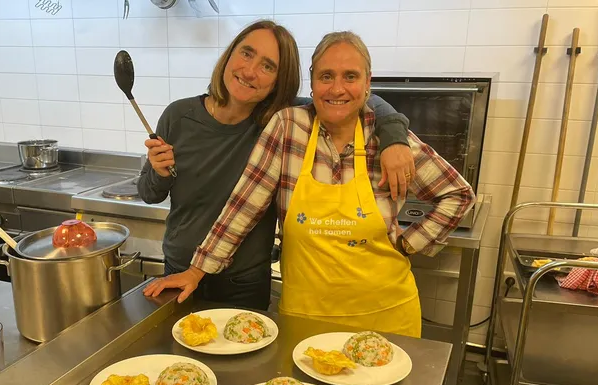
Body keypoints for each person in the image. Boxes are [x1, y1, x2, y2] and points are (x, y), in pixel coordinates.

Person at [144, 31, 476, 338]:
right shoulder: (289, 127)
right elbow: (244, 206)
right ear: (313, 83)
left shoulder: (388, 141)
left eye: (351, 76)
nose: (337, 88)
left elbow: (459, 195)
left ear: (367, 83)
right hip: (305, 313)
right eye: (326, 76)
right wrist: (197, 270)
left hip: (386, 313)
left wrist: (409, 244)